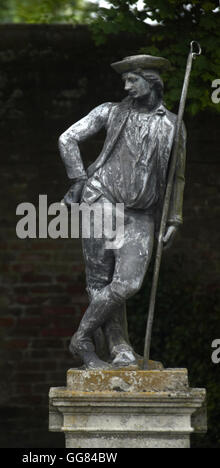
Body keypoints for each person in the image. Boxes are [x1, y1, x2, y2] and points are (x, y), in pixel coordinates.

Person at [58, 55, 186, 369]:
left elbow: (177, 175)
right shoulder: (110, 112)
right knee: (100, 281)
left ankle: (81, 337)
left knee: (128, 283)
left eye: (132, 80)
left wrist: (174, 217)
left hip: (142, 212)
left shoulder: (172, 124)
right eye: (124, 81)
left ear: (152, 81)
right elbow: (68, 138)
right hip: (101, 199)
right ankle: (121, 350)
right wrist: (78, 179)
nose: (126, 86)